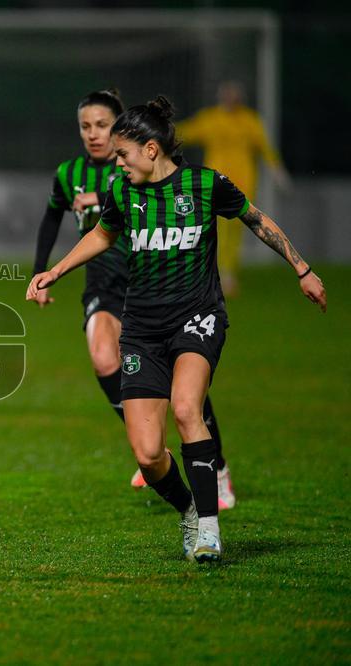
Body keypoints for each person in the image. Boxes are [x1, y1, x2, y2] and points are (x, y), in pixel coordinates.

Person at [27, 96, 325, 563]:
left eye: (123, 154)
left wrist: (302, 268)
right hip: (142, 328)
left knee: (187, 409)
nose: (116, 162)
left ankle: (209, 529)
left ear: (150, 150)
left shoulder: (204, 185)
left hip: (197, 316)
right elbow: (103, 235)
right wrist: (54, 270)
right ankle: (188, 508)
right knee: (148, 454)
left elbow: (255, 219)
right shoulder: (123, 194)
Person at [34, 90, 233, 508]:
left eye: (102, 126)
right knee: (105, 358)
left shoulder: (138, 173)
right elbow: (55, 215)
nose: (94, 134)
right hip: (105, 285)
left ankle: (217, 466)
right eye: (85, 127)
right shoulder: (70, 173)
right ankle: (150, 442)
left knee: (187, 385)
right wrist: (44, 270)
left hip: (155, 286)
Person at [177, 81, 290, 297]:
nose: (230, 98)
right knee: (214, 227)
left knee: (236, 229)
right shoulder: (211, 118)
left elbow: (265, 148)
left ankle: (226, 272)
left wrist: (278, 172)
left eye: (234, 95)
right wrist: (156, 131)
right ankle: (217, 272)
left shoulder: (250, 121)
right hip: (214, 183)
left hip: (243, 183)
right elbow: (186, 132)